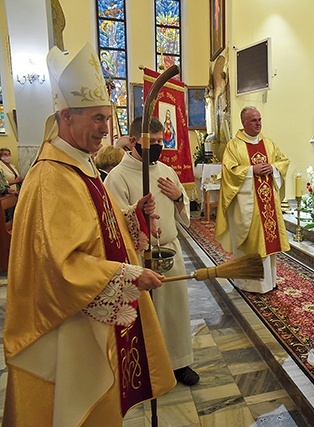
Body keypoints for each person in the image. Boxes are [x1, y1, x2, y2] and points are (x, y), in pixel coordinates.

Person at [3, 43, 175, 426]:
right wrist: (129, 274)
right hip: (67, 318)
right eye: (97, 118)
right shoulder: (51, 175)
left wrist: (131, 218)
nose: (105, 129)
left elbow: (96, 227)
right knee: (73, 404)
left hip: (89, 310)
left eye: (108, 119)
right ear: (66, 116)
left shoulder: (80, 163)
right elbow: (61, 264)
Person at [105, 116, 199, 386]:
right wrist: (140, 217)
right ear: (134, 141)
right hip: (139, 256)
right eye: (153, 142)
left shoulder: (167, 172)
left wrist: (179, 197)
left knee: (175, 311)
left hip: (170, 250)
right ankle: (149, 368)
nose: (158, 146)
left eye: (161, 141)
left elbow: (185, 216)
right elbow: (115, 223)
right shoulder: (117, 177)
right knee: (148, 314)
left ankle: (180, 362)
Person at [215, 106, 290, 293]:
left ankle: (269, 281)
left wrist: (273, 168)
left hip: (268, 204)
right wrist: (250, 171)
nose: (258, 124)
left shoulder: (269, 143)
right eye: (253, 120)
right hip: (248, 205)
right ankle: (249, 283)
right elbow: (228, 170)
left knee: (269, 241)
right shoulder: (234, 145)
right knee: (253, 242)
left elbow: (283, 161)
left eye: (259, 120)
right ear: (243, 123)